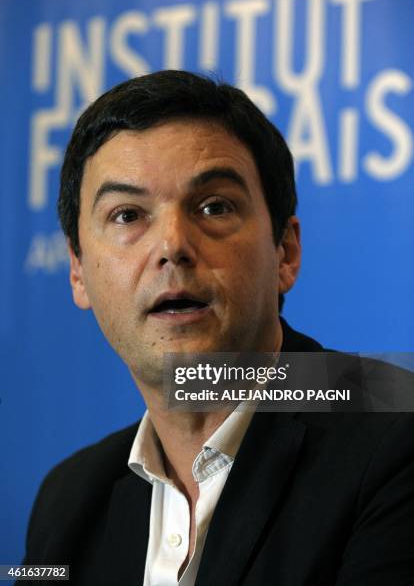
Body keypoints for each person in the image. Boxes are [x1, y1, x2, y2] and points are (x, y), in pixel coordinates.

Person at [23, 70, 414, 585]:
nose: (171, 245)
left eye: (214, 207)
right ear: (78, 270)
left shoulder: (397, 434)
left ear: (285, 253)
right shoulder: (66, 501)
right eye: (127, 215)